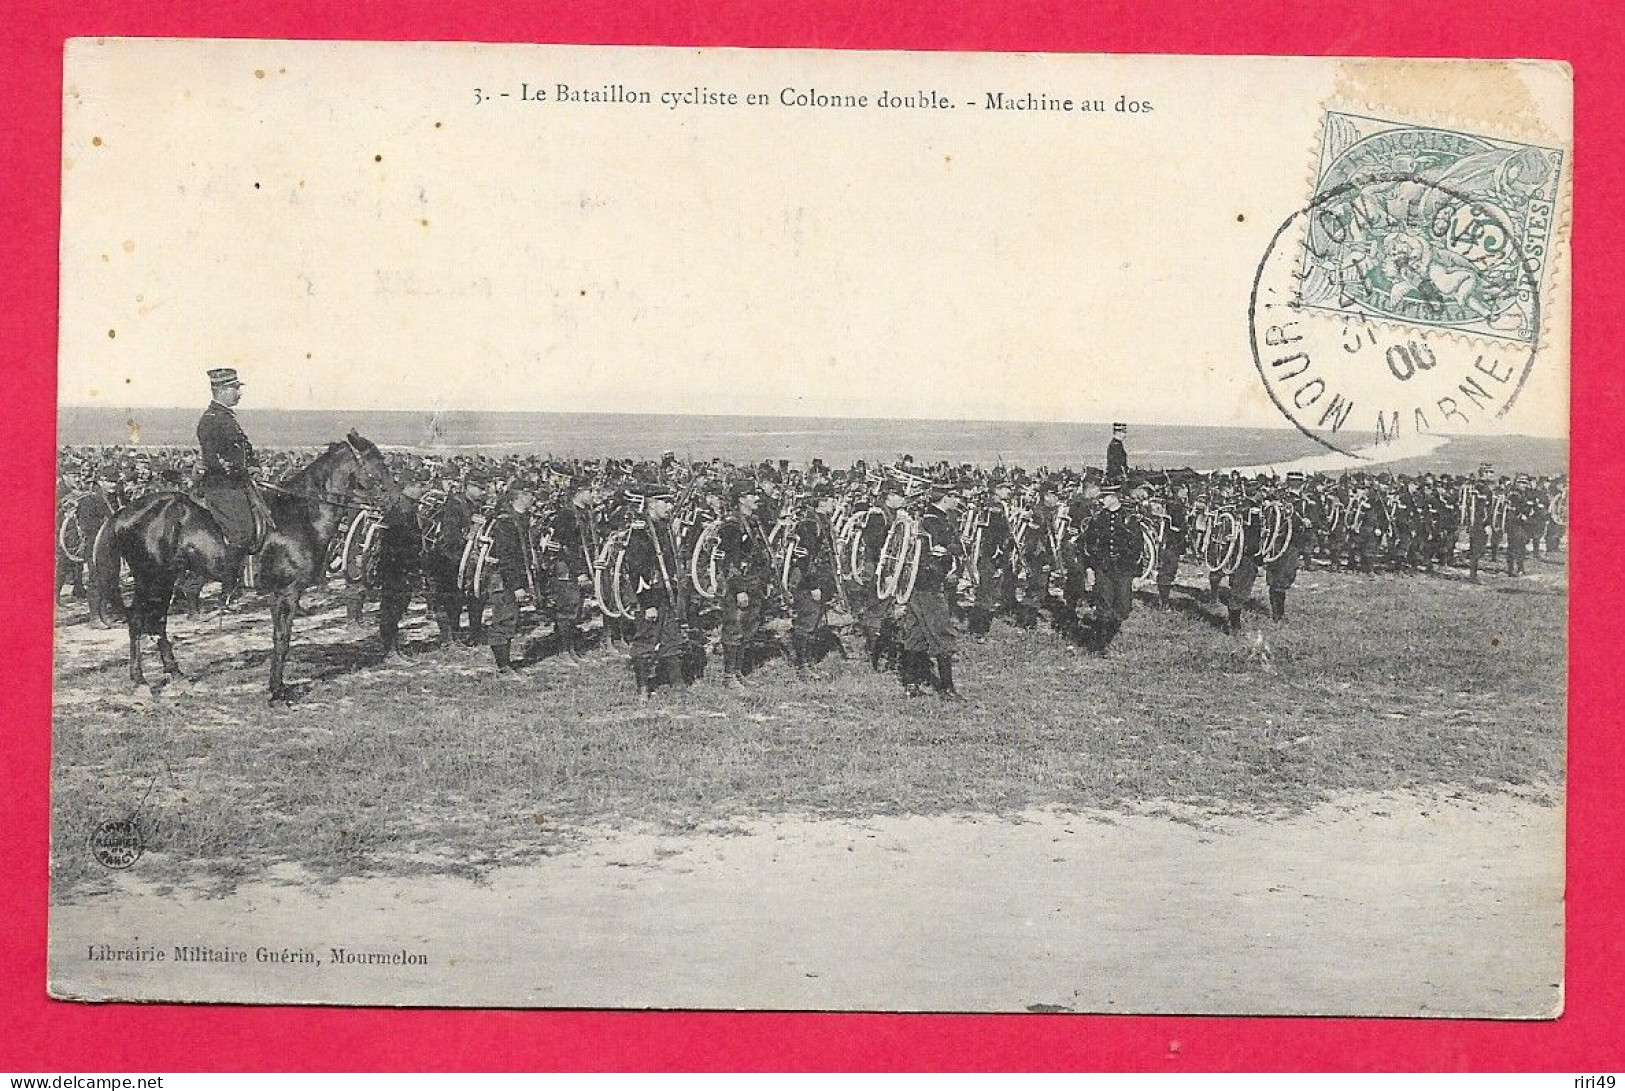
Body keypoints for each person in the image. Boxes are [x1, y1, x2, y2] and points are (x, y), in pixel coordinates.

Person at [623, 486, 688, 700]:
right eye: (665, 503)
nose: (669, 507)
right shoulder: (641, 531)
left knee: (671, 636)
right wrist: (647, 603)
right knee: (646, 638)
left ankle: (677, 681)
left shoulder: (663, 527)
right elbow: (637, 570)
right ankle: (643, 687)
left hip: (666, 592)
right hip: (650, 595)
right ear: (652, 504)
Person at [900, 486, 964, 698]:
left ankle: (910, 683)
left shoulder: (931, 518)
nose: (958, 500)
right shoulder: (933, 521)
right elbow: (940, 550)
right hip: (930, 584)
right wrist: (952, 551)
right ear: (946, 498)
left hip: (917, 585)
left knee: (916, 632)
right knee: (942, 633)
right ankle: (947, 688)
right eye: (955, 496)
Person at [194, 367, 266, 553]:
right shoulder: (211, 420)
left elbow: (244, 450)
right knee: (241, 535)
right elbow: (215, 461)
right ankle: (228, 582)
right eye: (235, 388)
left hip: (236, 485)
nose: (239, 393)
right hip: (221, 487)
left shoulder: (227, 418)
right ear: (223, 390)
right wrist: (244, 471)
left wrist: (254, 466)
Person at [716, 483, 774, 688]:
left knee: (749, 627)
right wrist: (739, 589)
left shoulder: (753, 521)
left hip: (754, 581)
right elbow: (729, 562)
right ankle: (729, 676)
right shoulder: (732, 525)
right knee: (735, 627)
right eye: (751, 495)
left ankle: (738, 671)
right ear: (741, 499)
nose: (756, 498)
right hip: (738, 584)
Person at [1080, 484, 1141, 653]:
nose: (1101, 500)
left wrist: (1137, 574)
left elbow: (1138, 548)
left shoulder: (1130, 518)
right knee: (1104, 605)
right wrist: (1090, 568)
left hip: (1124, 569)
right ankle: (1101, 644)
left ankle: (1110, 631)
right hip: (1103, 568)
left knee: (1123, 606)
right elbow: (1090, 545)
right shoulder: (1098, 518)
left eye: (1104, 497)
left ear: (1114, 497)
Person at [483, 487, 536, 674]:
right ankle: (503, 667)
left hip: (513, 577)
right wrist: (516, 586)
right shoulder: (505, 522)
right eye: (530, 494)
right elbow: (506, 558)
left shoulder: (521, 519)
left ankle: (506, 663)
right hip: (504, 578)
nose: (533, 498)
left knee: (510, 619)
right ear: (520, 497)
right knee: (504, 619)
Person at [374, 482, 427, 658]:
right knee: (391, 610)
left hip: (402, 570)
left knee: (396, 610)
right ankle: (389, 651)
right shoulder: (397, 518)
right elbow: (390, 548)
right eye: (413, 502)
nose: (414, 506)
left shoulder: (404, 515)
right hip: (394, 571)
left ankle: (392, 648)